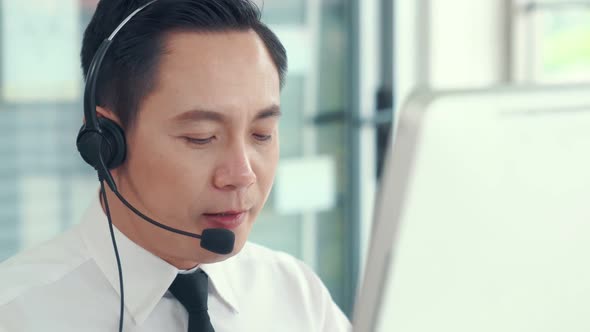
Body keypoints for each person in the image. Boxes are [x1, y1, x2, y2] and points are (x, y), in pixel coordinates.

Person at [0, 0, 351, 331]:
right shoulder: (17, 314)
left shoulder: (297, 296)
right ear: (104, 142)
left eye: (261, 134)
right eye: (201, 137)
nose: (242, 175)